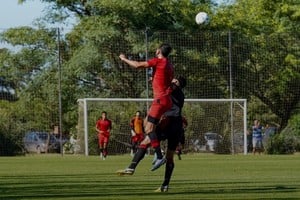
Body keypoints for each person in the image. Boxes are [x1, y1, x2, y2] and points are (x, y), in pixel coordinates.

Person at [118, 43, 174, 173]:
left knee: (148, 128)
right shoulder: (169, 65)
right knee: (147, 125)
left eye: (156, 49)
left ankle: (159, 156)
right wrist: (153, 79)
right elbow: (166, 80)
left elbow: (137, 65)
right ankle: (133, 166)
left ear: (159, 51)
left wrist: (123, 59)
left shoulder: (158, 61)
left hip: (160, 100)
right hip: (166, 100)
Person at [154, 76, 186, 192]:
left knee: (150, 136)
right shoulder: (177, 93)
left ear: (179, 84)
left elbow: (166, 85)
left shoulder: (175, 90)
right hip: (176, 125)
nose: (173, 80)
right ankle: (165, 185)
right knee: (170, 157)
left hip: (170, 123)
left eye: (175, 80)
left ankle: (158, 156)